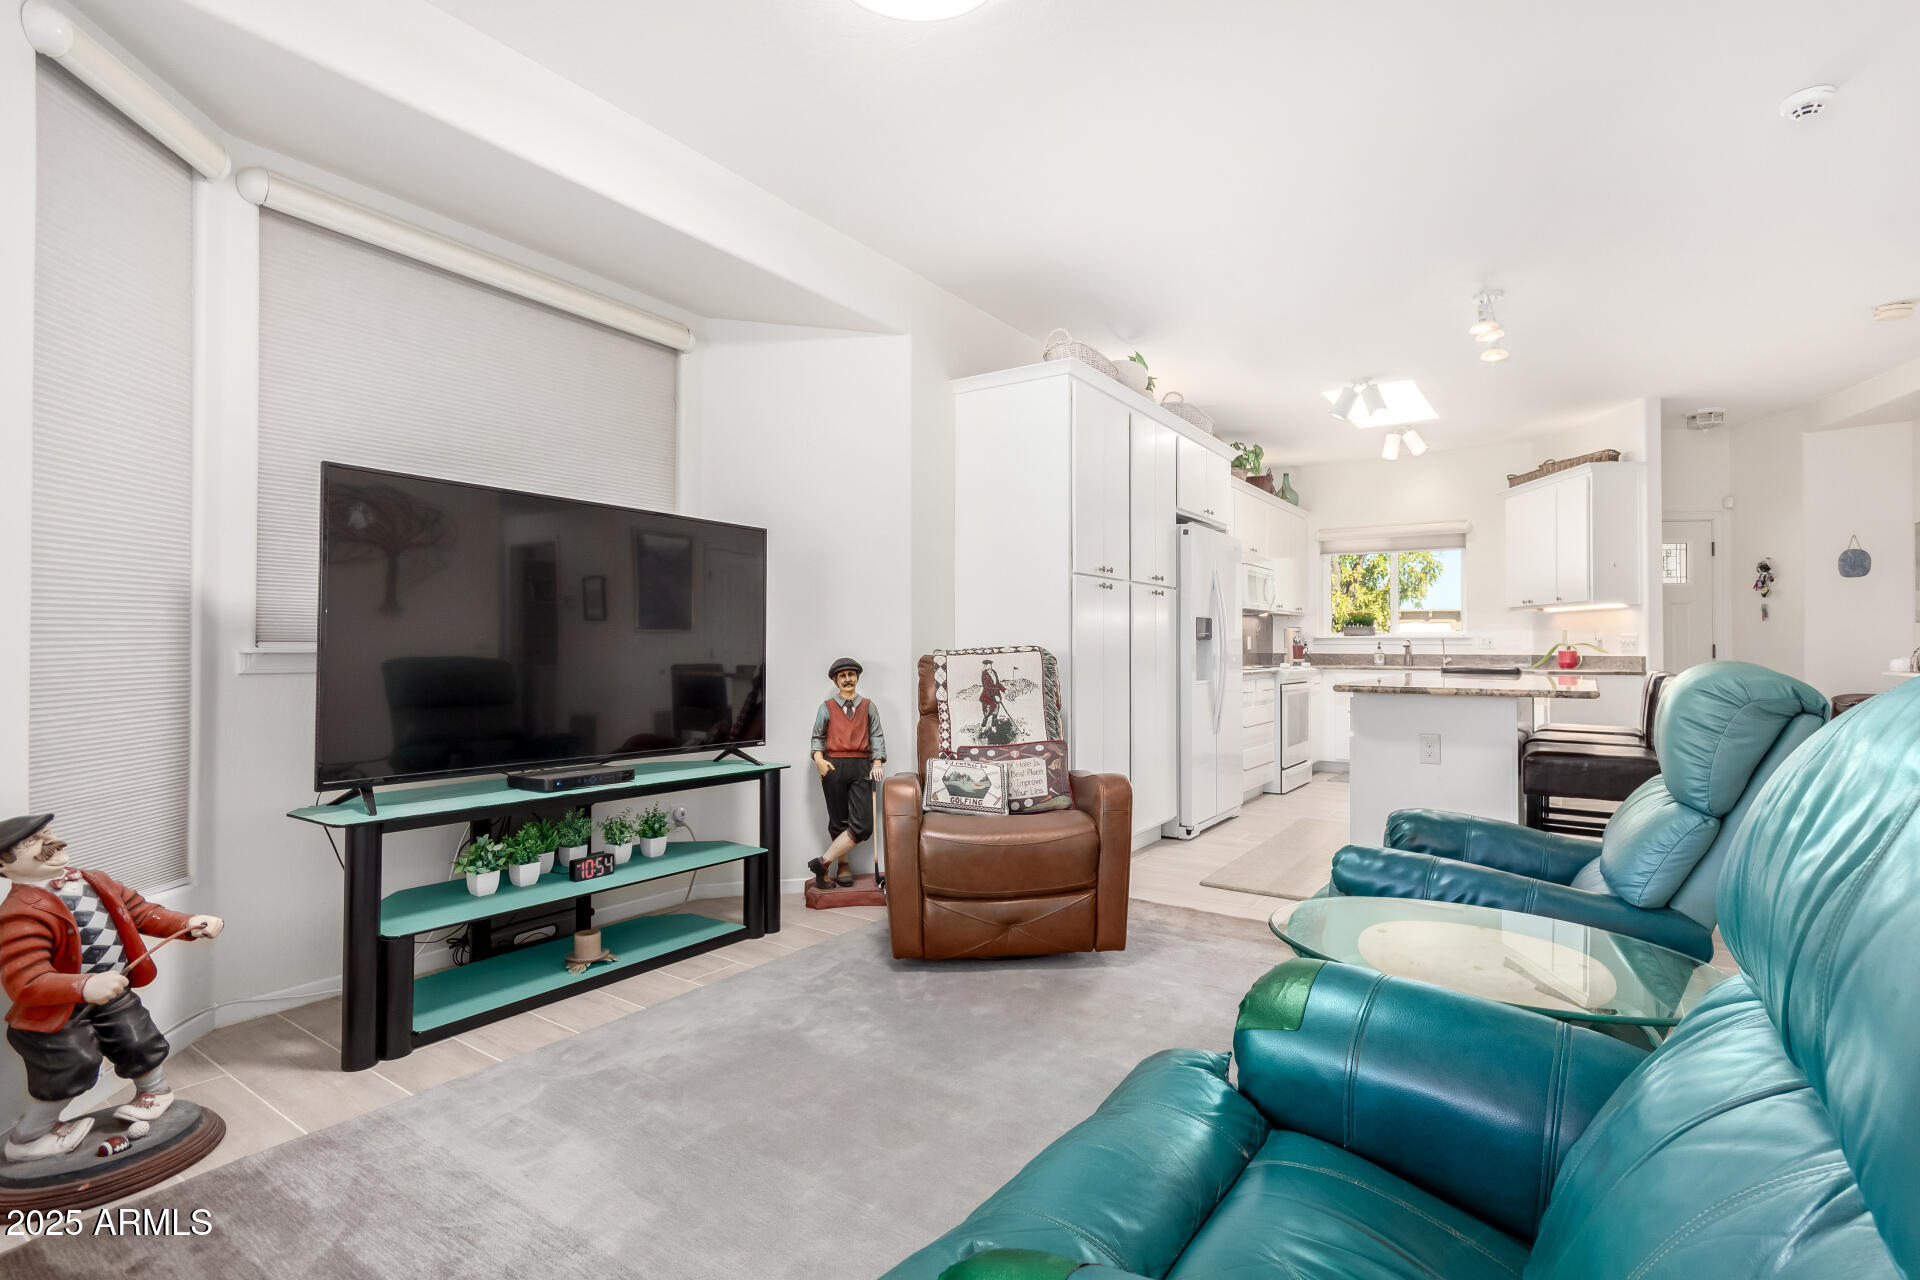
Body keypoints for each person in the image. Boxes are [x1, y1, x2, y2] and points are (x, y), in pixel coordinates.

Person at [0, 814, 223, 1162]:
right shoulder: (18, 913)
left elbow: (140, 911)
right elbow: (25, 981)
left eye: (48, 834)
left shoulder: (95, 880)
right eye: (31, 842)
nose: (51, 843)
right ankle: (29, 1138)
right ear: (3, 863)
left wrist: (188, 923)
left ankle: (155, 1093)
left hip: (113, 993)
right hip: (55, 1012)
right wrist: (85, 985)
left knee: (137, 1037)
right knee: (70, 1064)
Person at [807, 658, 886, 889]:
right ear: (835, 680)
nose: (848, 679)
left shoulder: (869, 706)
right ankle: (842, 866)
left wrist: (878, 762)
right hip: (833, 766)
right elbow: (817, 737)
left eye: (851, 675)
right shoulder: (826, 707)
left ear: (857, 678)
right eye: (842, 676)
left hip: (862, 765)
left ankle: (823, 862)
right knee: (838, 819)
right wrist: (819, 760)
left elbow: (876, 736)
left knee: (863, 826)